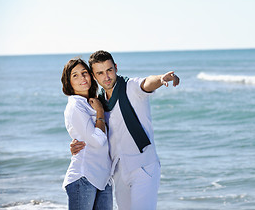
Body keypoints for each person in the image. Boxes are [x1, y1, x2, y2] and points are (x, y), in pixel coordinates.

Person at [70, 50, 180, 210]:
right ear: (94, 76)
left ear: (115, 67)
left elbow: (146, 83)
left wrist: (161, 79)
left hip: (143, 167)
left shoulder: (130, 87)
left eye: (109, 70)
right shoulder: (98, 103)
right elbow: (94, 135)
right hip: (118, 171)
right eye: (100, 73)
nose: (106, 77)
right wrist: (76, 145)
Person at [61, 58, 113, 210]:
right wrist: (100, 112)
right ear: (68, 82)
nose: (82, 78)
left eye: (84, 73)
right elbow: (97, 141)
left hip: (103, 177)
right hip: (84, 177)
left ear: (91, 75)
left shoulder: (92, 102)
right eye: (75, 75)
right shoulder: (76, 105)